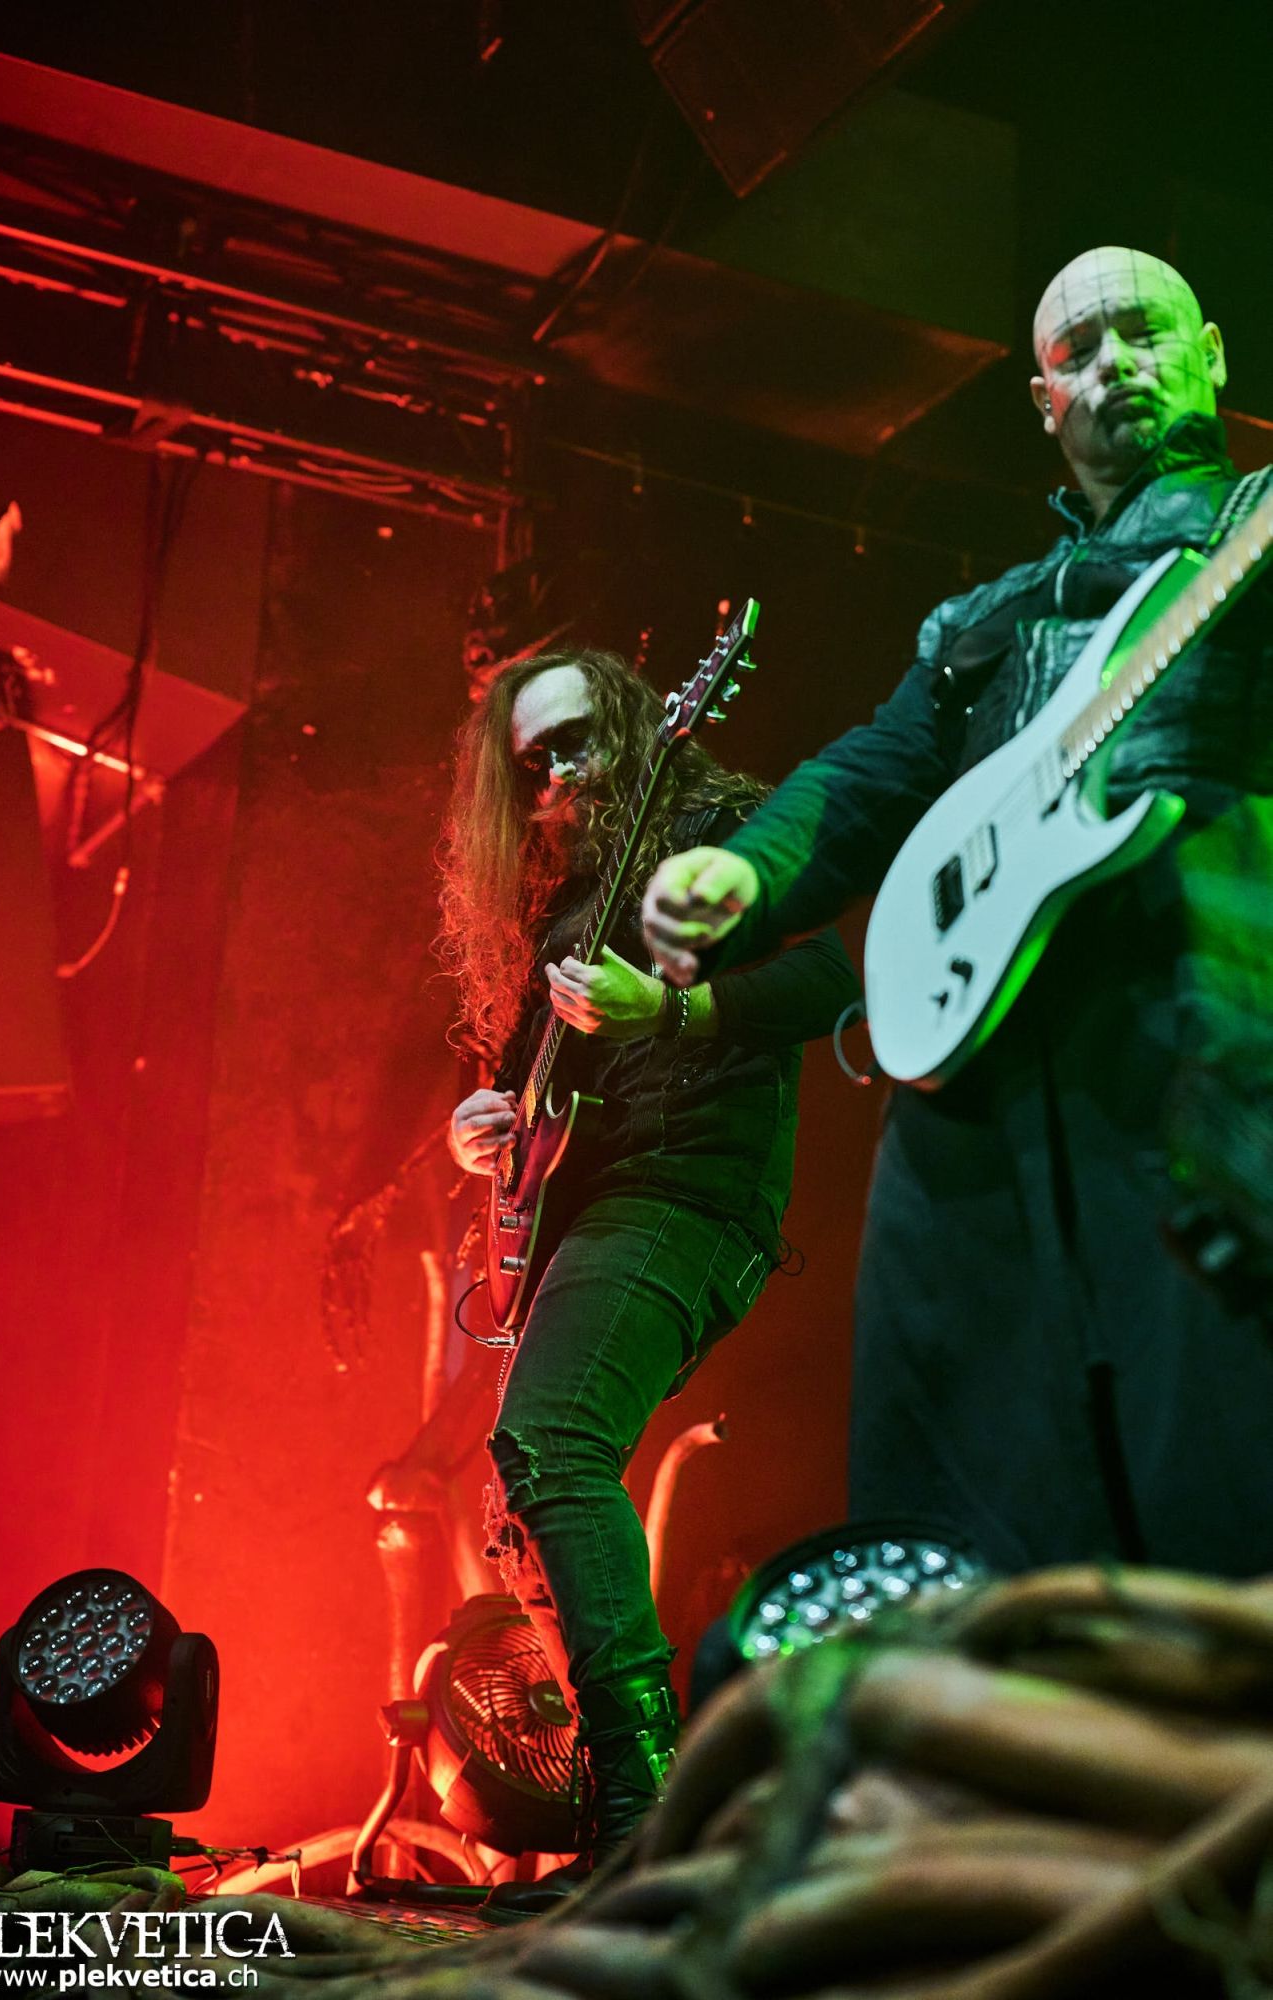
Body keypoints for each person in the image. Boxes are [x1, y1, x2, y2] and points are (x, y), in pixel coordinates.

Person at [641, 247, 1273, 1581]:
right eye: (1078, 351)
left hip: (1197, 1025)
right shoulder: (980, 620)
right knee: (962, 1472)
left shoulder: (1253, 531)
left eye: (1144, 333)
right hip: (971, 1088)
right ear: (1042, 402)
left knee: (1217, 1439)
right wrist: (749, 873)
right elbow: (869, 776)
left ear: (1212, 354)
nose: (1116, 365)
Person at [438, 647, 858, 1869]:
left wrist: (666, 1007)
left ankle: (643, 1811)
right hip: (595, 1205)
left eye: (578, 738)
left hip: (688, 1188)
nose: (559, 773)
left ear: (636, 717)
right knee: (524, 1497)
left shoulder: (716, 826)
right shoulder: (568, 895)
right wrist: (480, 1128)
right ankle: (611, 1811)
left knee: (553, 1440)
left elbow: (831, 974)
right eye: (532, 762)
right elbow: (533, 1090)